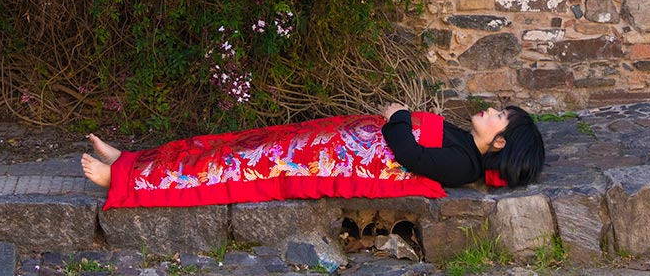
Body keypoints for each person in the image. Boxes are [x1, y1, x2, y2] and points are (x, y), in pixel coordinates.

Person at [81, 101, 545, 208]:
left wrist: (398, 115)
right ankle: (131, 162)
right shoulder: (463, 141)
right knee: (231, 145)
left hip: (328, 156)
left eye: (499, 115)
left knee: (234, 164)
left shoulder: (463, 164)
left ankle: (124, 183)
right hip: (338, 139)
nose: (489, 109)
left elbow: (407, 153)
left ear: (500, 142)